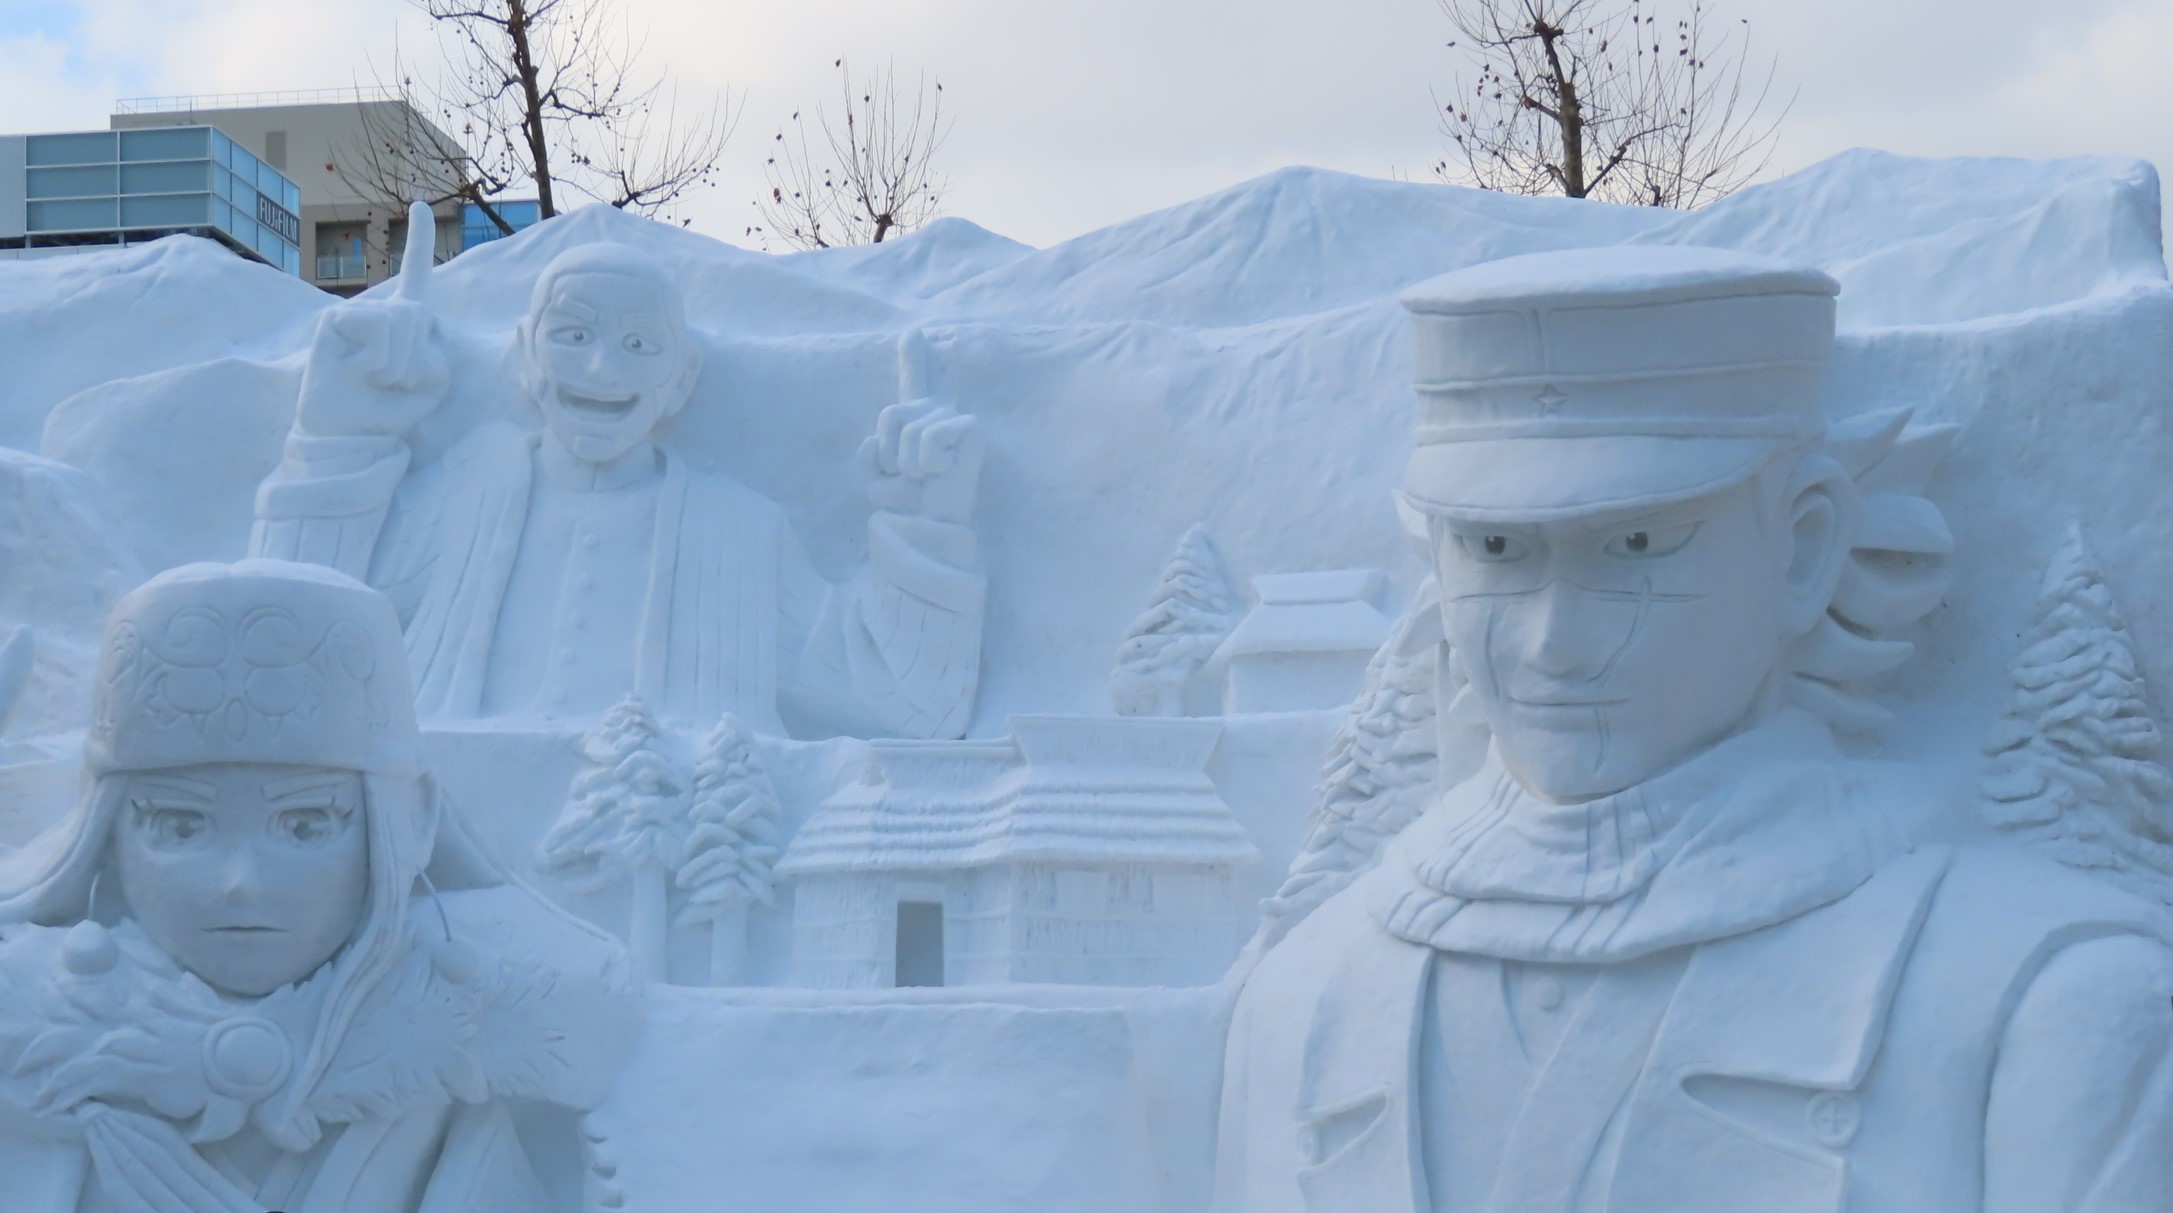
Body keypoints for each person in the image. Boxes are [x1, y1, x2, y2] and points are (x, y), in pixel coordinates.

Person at [1213, 247, 2173, 1212]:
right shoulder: (1306, 1001)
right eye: (1495, 549)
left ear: (1804, 546)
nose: (1555, 644)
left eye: (1635, 544)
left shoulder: (2048, 1000)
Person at [0, 556, 640, 1213]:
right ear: (108, 830)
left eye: (306, 825)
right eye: (181, 825)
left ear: (402, 822)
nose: (242, 882)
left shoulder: (466, 1037)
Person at [251, 234, 986, 739]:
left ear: (681, 378)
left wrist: (926, 523)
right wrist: (337, 437)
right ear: (522, 356)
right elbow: (285, 648)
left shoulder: (737, 533)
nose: (603, 370)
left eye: (640, 345)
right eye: (572, 335)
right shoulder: (463, 494)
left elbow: (905, 706)